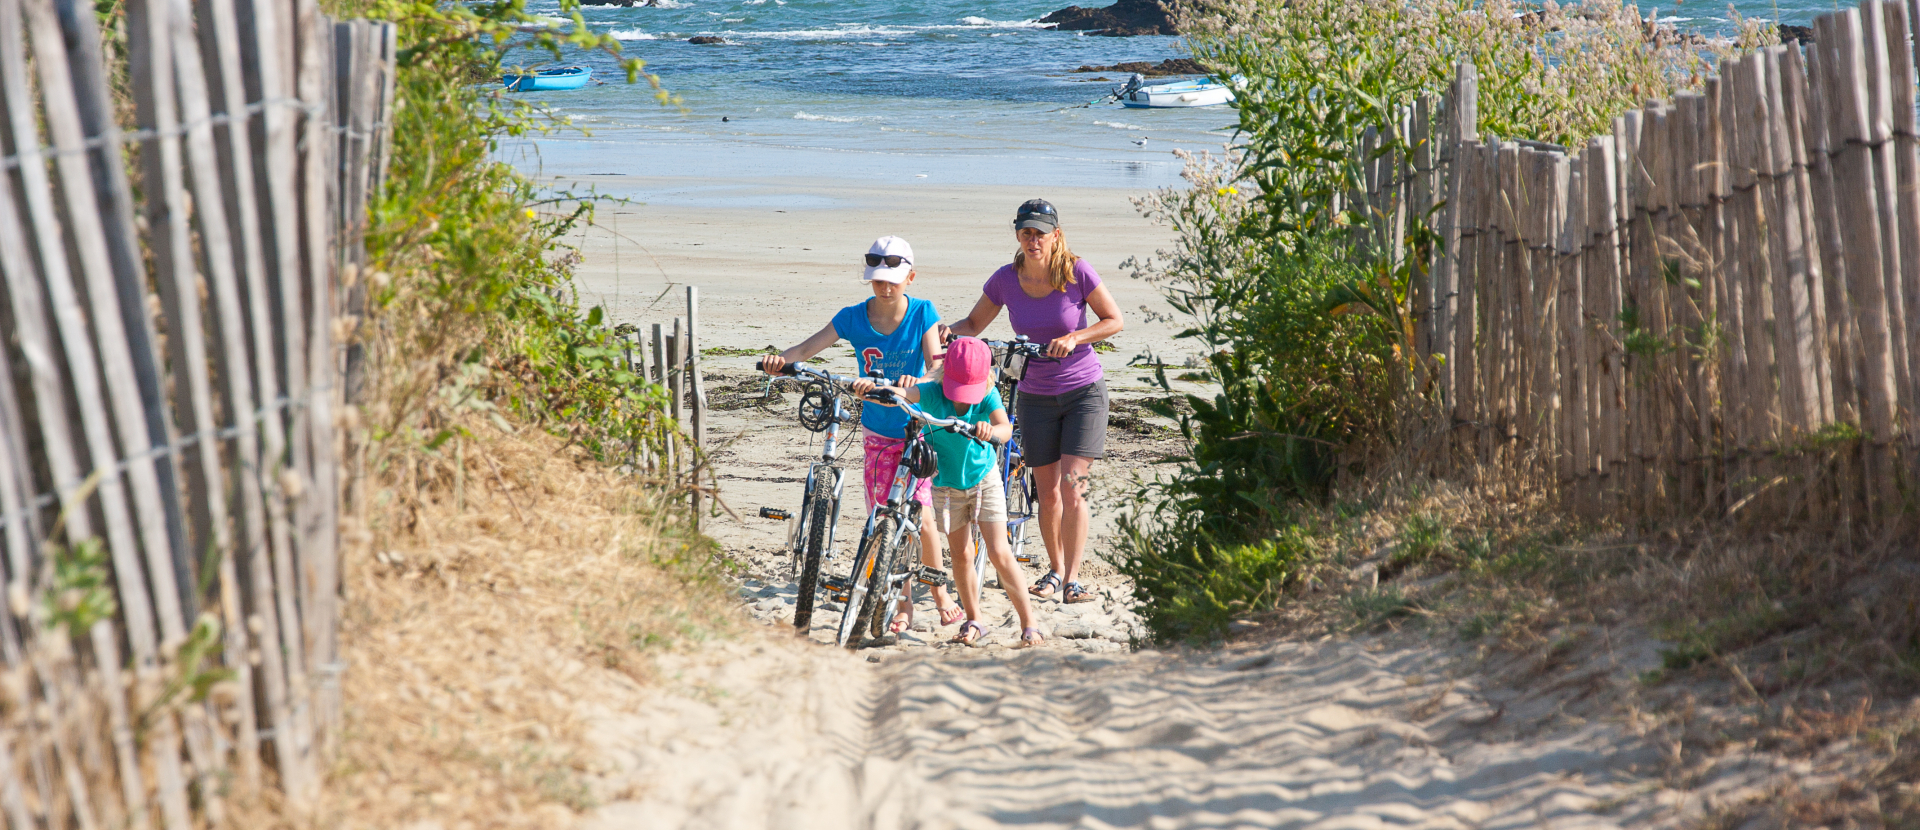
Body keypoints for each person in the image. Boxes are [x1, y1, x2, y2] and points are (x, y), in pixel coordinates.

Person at [759, 236, 961, 629]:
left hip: (913, 427)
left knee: (921, 517)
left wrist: (912, 382)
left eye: (893, 281)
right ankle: (902, 603)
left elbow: (938, 367)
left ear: (910, 278)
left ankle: (939, 592)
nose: (885, 288)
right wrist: (779, 361)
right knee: (880, 519)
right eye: (878, 281)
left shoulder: (923, 313)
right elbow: (808, 348)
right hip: (875, 430)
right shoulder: (853, 316)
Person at [943, 199, 1124, 605]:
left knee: (1073, 487)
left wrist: (1075, 337)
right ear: (1018, 235)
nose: (1033, 239)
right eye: (1026, 232)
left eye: (1040, 232)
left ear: (1055, 235)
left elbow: (1114, 319)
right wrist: (943, 332)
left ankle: (1074, 579)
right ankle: (1056, 571)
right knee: (1048, 492)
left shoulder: (1077, 271)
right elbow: (974, 324)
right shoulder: (1007, 279)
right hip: (1035, 395)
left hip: (1083, 392)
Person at [853, 337, 1041, 647]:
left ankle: (1029, 622)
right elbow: (900, 394)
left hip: (983, 479)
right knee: (961, 554)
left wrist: (991, 431)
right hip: (946, 485)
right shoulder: (929, 391)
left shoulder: (987, 394)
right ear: (944, 374)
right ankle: (974, 618)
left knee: (999, 552)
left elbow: (1005, 427)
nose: (962, 399)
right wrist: (872, 392)